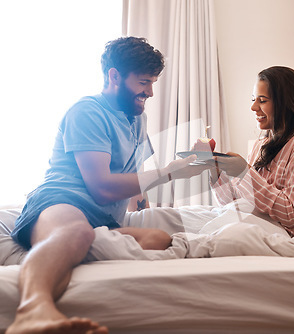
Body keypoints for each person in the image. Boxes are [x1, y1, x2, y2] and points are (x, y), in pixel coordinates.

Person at [7, 37, 206, 334]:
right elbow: (101, 187)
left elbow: (133, 178)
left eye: (152, 83)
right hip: (61, 201)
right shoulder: (87, 112)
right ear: (114, 76)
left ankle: (65, 249)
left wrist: (145, 202)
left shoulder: (137, 118)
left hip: (102, 220)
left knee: (158, 239)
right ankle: (31, 311)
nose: (149, 92)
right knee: (76, 231)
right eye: (143, 82)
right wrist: (169, 172)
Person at [177, 66, 294, 236]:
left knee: (194, 236)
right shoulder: (260, 145)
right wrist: (216, 170)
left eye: (263, 100)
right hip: (247, 219)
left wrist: (244, 173)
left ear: (286, 103)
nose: (254, 107)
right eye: (253, 99)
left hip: (278, 232)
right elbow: (232, 204)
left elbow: (291, 214)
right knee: (163, 218)